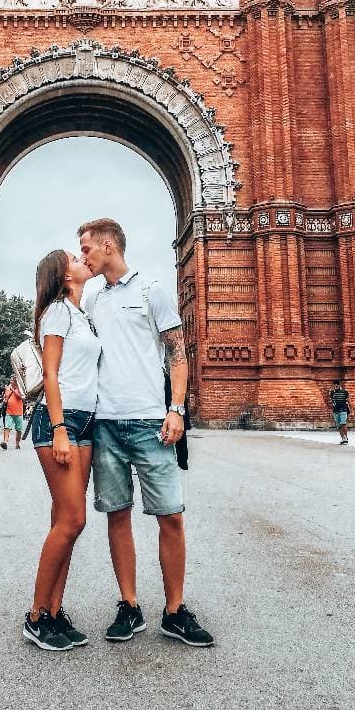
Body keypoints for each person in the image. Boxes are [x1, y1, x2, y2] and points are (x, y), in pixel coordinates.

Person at [78, 217, 214, 648]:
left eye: (86, 249)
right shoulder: (92, 297)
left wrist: (177, 409)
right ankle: (129, 604)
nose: (83, 257)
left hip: (150, 421)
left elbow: (177, 353)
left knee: (170, 515)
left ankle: (175, 610)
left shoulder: (151, 289)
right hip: (105, 423)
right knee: (117, 515)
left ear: (107, 245)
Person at [23, 249, 101, 652]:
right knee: (72, 520)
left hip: (86, 421)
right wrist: (57, 429)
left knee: (65, 521)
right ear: (63, 274)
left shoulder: (82, 313)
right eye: (74, 257)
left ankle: (55, 611)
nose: (82, 258)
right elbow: (51, 374)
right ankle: (36, 616)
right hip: (62, 421)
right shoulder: (56, 311)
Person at [1, 376, 25, 450]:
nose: (11, 382)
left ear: (16, 382)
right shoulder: (7, 389)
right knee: (7, 427)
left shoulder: (21, 389)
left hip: (18, 412)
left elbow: (21, 397)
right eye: (11, 380)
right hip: (9, 411)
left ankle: (17, 443)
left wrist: (14, 390)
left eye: (12, 381)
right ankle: (5, 442)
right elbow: (5, 397)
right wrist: (5, 400)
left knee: (19, 429)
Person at [330, 379, 351, 445]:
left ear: (339, 385)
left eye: (336, 385)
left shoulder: (345, 392)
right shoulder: (332, 393)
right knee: (339, 425)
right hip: (336, 411)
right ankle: (343, 438)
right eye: (334, 385)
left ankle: (346, 437)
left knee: (343, 423)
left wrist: (351, 408)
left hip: (343, 410)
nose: (335, 386)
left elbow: (349, 400)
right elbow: (332, 401)